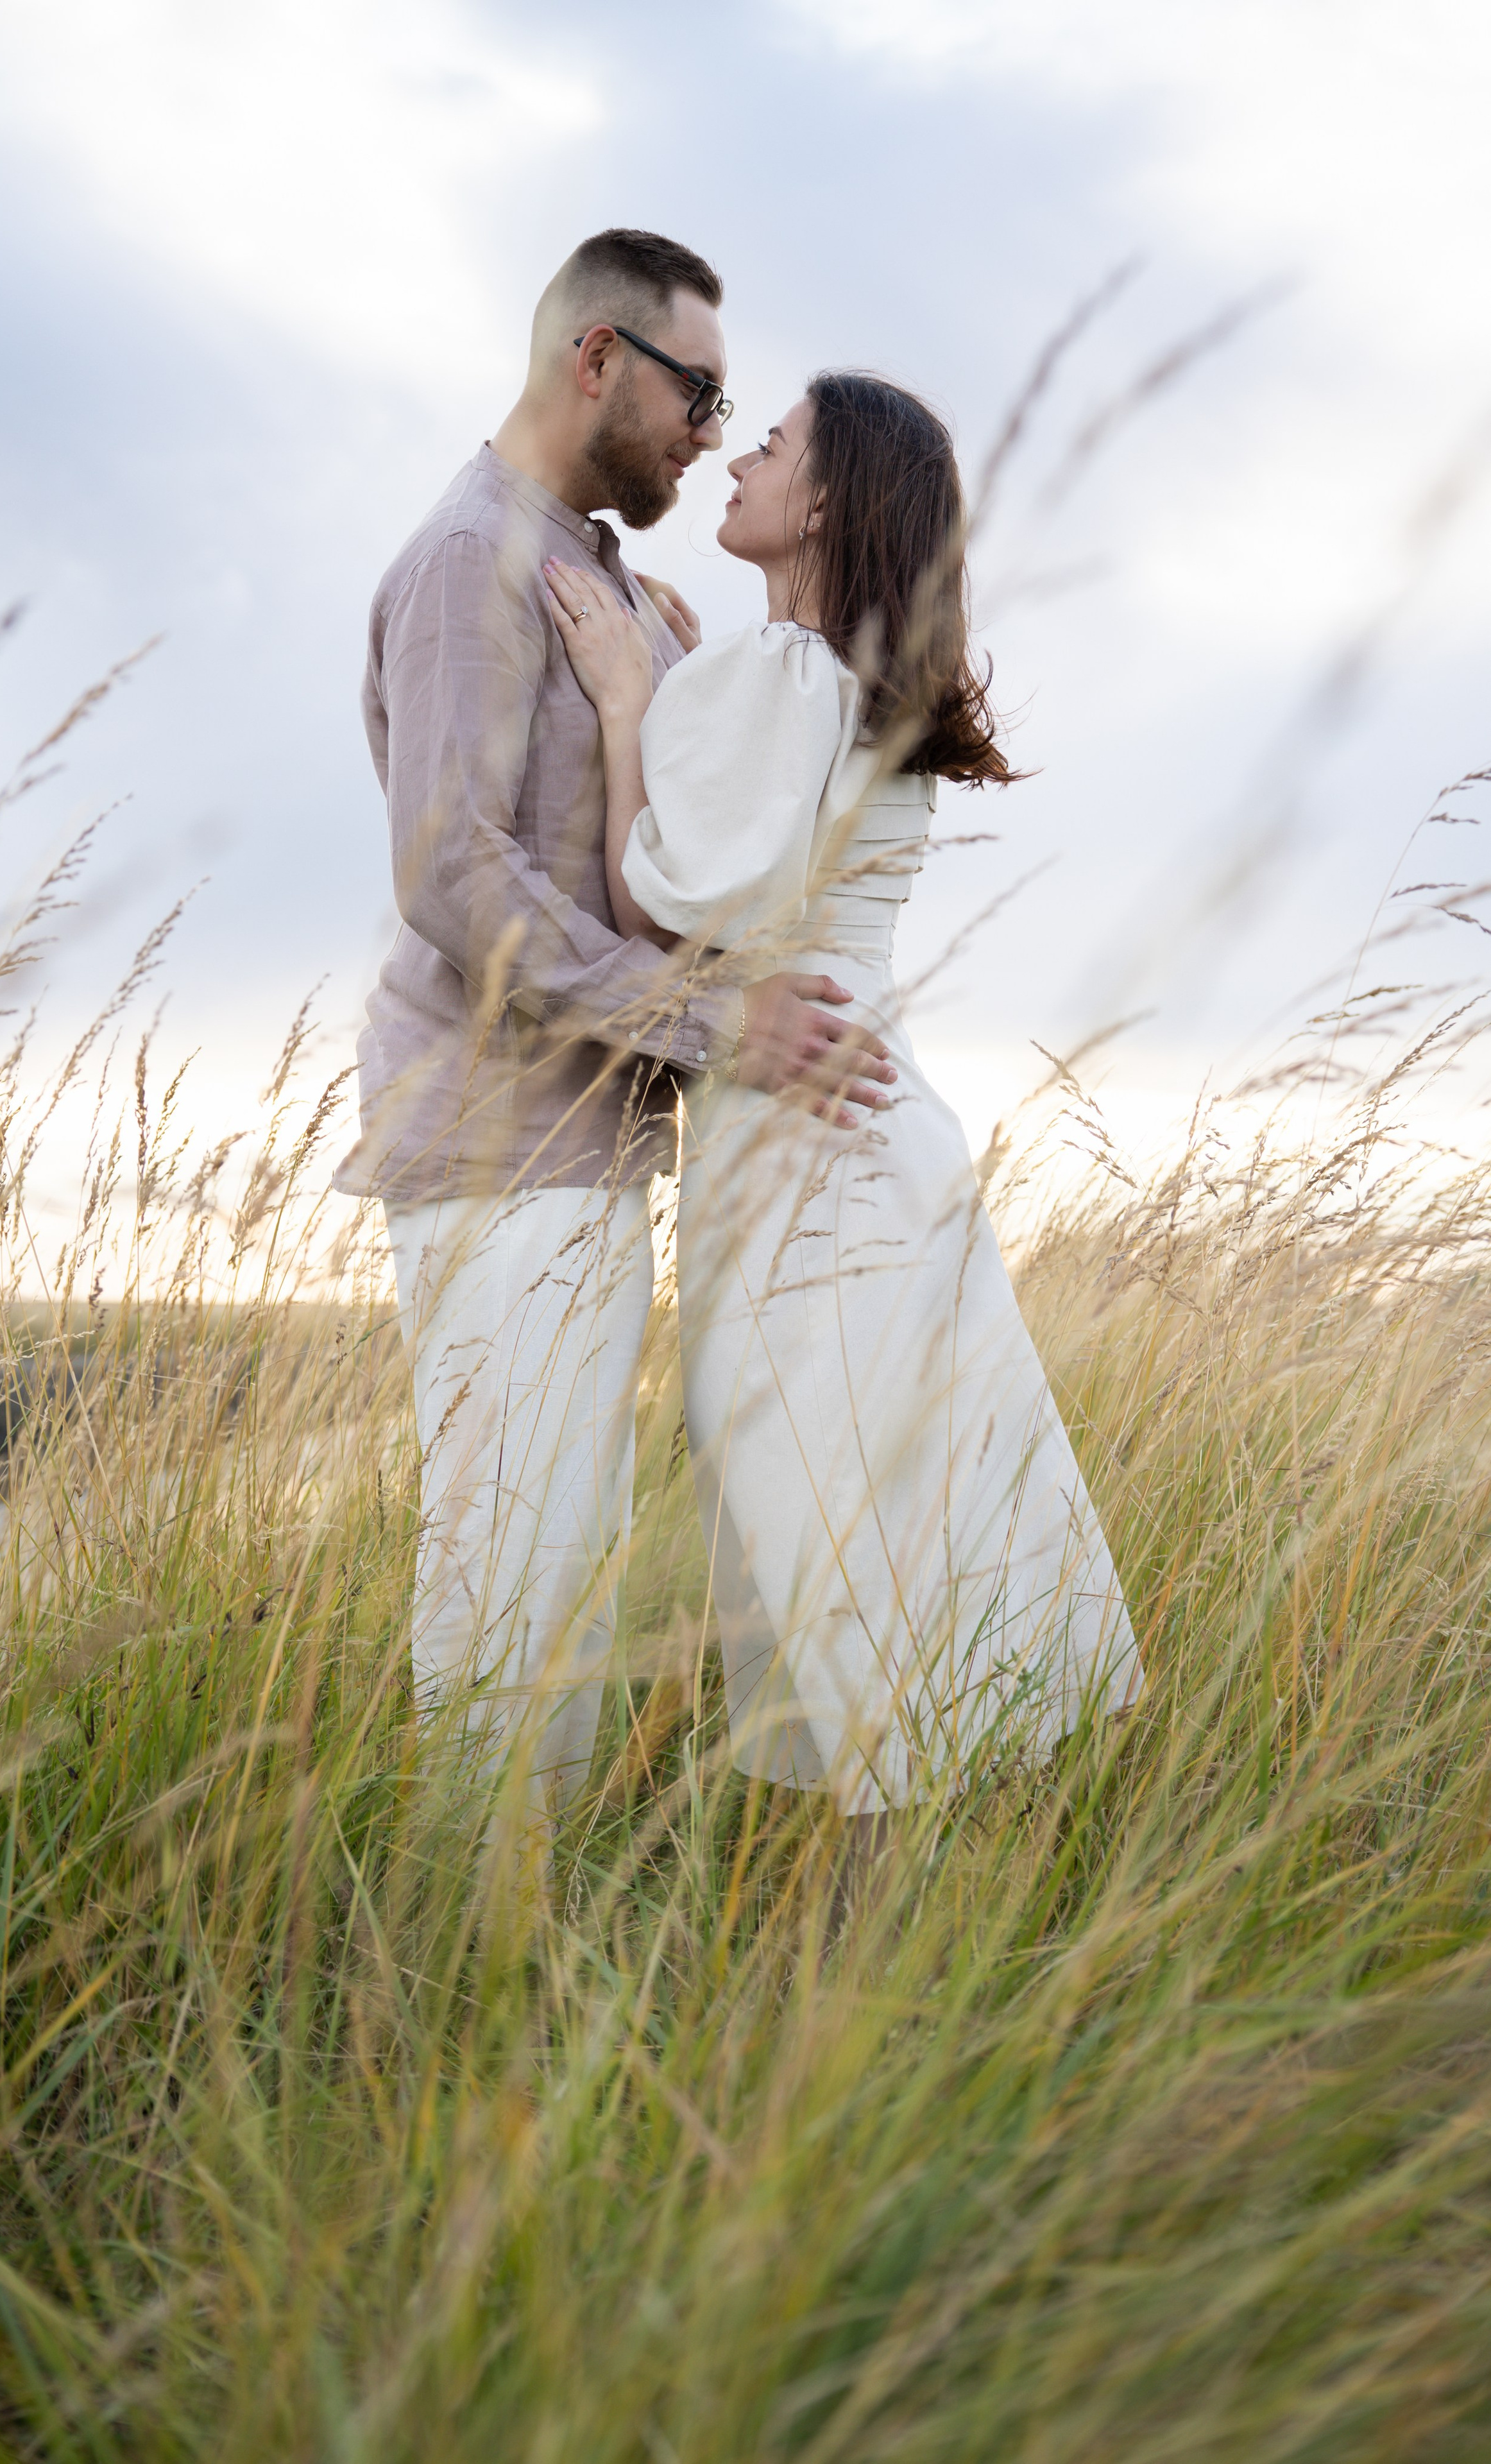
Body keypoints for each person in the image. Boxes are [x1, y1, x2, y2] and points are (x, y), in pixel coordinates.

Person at [333, 232, 896, 1830]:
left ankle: (512, 1930)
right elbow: (450, 870)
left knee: (551, 1560)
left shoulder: (589, 572)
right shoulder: (473, 564)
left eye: (728, 407)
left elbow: (638, 852)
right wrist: (707, 1022)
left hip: (575, 1152)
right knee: (511, 1575)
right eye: (696, 392)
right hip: (500, 1147)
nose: (711, 431)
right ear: (598, 359)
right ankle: (470, 1961)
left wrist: (664, 676)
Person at [545, 370, 1143, 1830]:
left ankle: (865, 1982)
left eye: (773, 444)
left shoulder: (782, 679)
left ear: (822, 502)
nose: (737, 459)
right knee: (899, 1540)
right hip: (875, 1140)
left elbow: (656, 907)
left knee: (828, 1551)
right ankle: (907, 1958)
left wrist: (628, 704)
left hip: (804, 1151)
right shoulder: (852, 685)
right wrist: (688, 676)